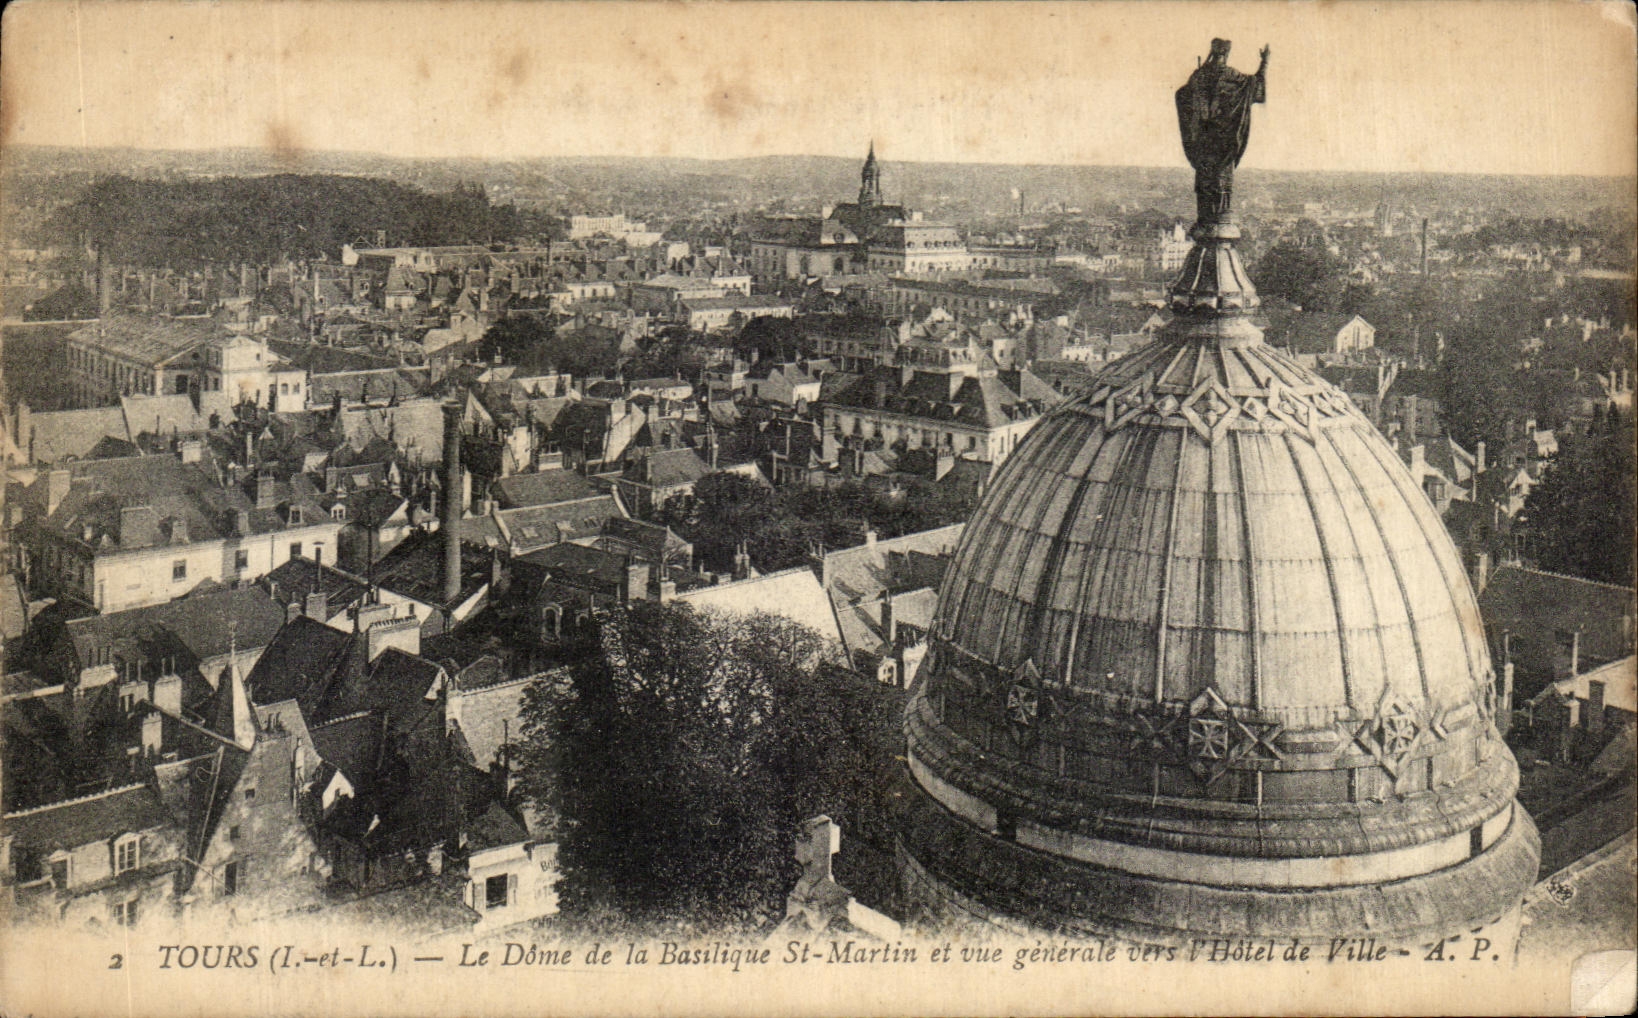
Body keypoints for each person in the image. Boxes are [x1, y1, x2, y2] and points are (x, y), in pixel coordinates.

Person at [1176, 39, 1269, 226]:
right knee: (1222, 180)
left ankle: (1205, 217)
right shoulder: (1233, 76)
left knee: (1205, 180)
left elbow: (1182, 95)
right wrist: (1264, 63)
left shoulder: (1199, 76)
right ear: (1226, 54)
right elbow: (1255, 88)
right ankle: (1220, 215)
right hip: (1225, 143)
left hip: (1203, 142)